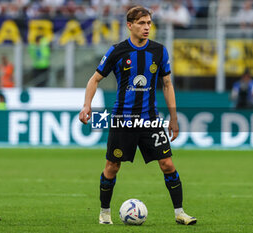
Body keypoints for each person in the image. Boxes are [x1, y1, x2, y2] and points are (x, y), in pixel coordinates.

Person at [79, 6, 197, 226]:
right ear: (130, 25)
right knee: (112, 167)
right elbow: (94, 80)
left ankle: (180, 213)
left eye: (149, 23)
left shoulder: (159, 51)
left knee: (168, 164)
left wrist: (173, 117)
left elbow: (167, 83)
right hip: (123, 120)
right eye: (142, 23)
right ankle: (105, 213)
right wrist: (87, 105)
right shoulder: (117, 51)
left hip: (150, 119)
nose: (146, 27)